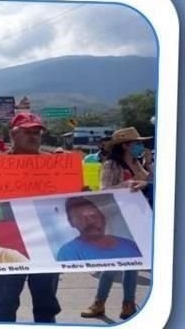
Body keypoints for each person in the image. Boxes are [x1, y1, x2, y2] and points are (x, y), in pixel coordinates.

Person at [0, 112, 61, 323]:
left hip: (46, 245)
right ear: (13, 135)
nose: (34, 137)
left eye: (37, 132)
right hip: (10, 246)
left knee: (46, 305)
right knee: (6, 303)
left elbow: (75, 198)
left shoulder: (55, 164)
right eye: (28, 132)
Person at [80, 127, 152, 320]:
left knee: (132, 264)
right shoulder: (112, 165)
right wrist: (129, 185)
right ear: (125, 145)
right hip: (116, 218)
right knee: (113, 262)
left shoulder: (137, 163)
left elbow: (149, 180)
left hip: (137, 217)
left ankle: (128, 305)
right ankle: (99, 303)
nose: (139, 146)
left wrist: (148, 170)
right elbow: (105, 191)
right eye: (136, 143)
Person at [56, 197, 141, 261]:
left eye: (93, 216)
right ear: (71, 223)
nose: (90, 221)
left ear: (104, 218)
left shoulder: (131, 245)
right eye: (80, 217)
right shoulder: (68, 252)